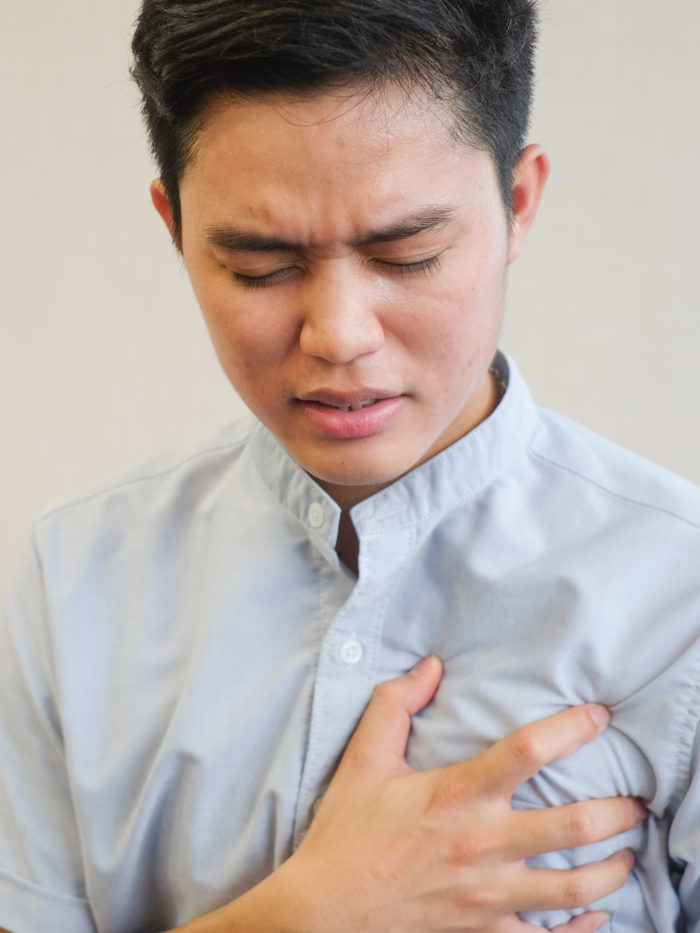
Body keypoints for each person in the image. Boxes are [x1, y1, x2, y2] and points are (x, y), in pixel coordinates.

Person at [3, 0, 700, 929]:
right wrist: (309, 913)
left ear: (517, 204)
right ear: (174, 226)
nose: (339, 337)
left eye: (408, 254)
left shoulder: (681, 596)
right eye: (260, 266)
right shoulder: (71, 578)